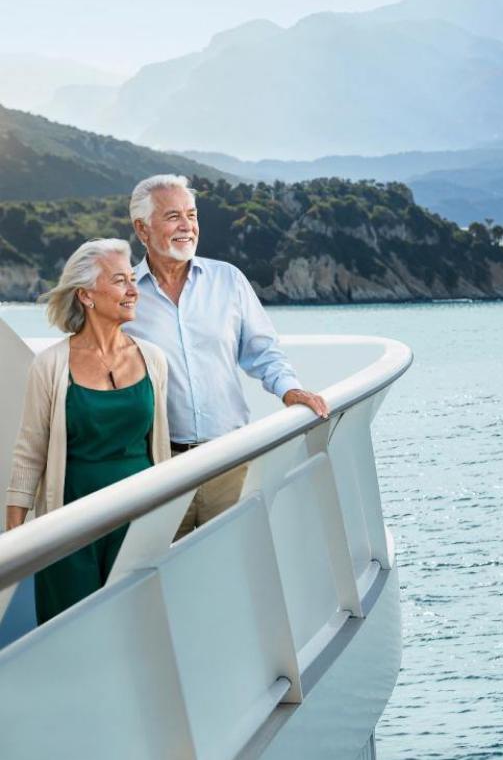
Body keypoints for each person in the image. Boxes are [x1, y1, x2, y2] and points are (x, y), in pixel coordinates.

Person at [121, 175, 328, 538]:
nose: (187, 226)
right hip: (158, 470)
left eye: (191, 214)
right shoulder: (124, 296)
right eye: (173, 217)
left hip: (231, 460)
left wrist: (289, 390)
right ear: (142, 228)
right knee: (167, 579)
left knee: (238, 567)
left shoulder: (228, 280)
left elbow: (263, 352)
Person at [5, 240, 172, 623]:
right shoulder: (50, 365)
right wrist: (16, 536)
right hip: (68, 527)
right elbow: (30, 450)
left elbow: (160, 447)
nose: (133, 290)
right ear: (86, 295)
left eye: (133, 279)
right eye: (119, 281)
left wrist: (168, 518)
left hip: (140, 520)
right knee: (70, 630)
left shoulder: (155, 360)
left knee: (135, 628)